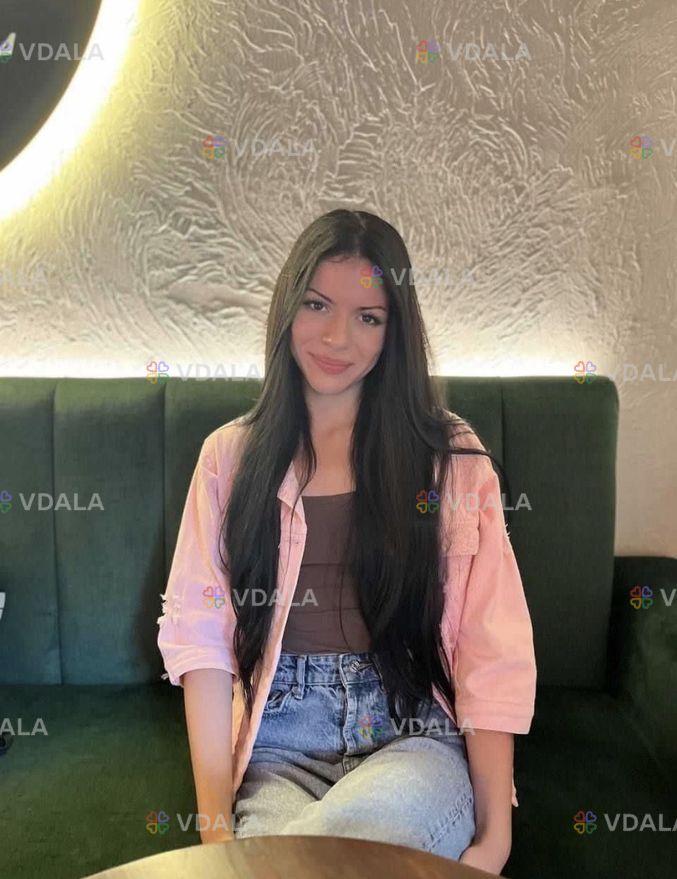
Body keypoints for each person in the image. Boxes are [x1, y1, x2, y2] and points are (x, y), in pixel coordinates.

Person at [157, 208, 537, 873]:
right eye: (316, 305)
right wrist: (216, 837)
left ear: (394, 331)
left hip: (410, 734)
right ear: (287, 307)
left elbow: (491, 646)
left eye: (368, 317)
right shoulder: (228, 459)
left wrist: (494, 836)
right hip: (276, 745)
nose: (337, 337)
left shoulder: (449, 458)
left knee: (309, 862)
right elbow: (202, 643)